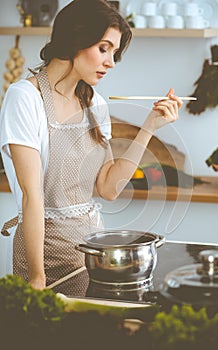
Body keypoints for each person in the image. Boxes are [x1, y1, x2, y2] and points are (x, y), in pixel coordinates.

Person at [0, 0, 183, 295]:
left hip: (91, 255)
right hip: (43, 257)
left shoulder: (95, 104)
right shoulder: (24, 98)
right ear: (75, 39)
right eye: (103, 48)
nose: (111, 62)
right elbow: (32, 197)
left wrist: (149, 127)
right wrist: (36, 277)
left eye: (114, 52)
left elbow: (109, 188)